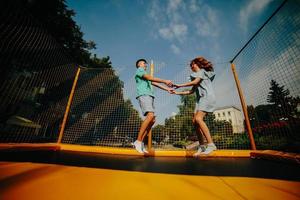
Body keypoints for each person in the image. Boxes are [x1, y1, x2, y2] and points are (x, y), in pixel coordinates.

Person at [172, 57, 217, 156]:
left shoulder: (201, 71)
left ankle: (211, 144)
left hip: (207, 97)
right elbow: (191, 91)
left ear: (197, 64)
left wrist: (179, 85)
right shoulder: (197, 75)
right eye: (190, 65)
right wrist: (176, 92)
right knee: (195, 122)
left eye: (193, 64)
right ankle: (202, 146)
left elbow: (195, 82)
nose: (191, 66)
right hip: (200, 100)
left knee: (198, 118)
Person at [133, 58, 174, 154]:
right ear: (139, 65)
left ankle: (141, 143)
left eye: (145, 64)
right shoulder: (139, 71)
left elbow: (153, 82)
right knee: (150, 116)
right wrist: (164, 80)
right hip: (144, 95)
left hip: (150, 96)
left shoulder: (145, 75)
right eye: (144, 63)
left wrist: (166, 89)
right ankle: (138, 141)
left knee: (152, 119)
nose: (145, 65)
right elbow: (150, 78)